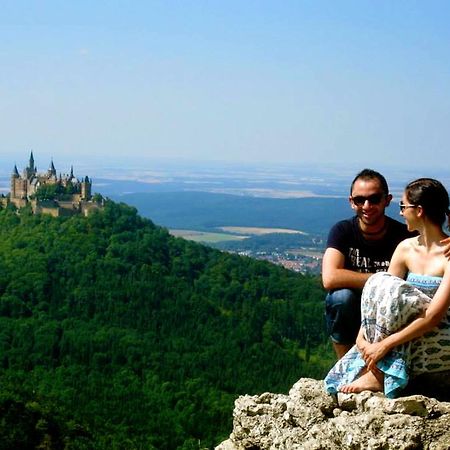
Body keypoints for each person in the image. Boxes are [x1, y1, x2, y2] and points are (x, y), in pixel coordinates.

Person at [324, 178, 450, 398]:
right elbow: (380, 298)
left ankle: (379, 374)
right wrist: (362, 337)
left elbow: (433, 316)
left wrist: (384, 346)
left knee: (392, 289)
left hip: (436, 334)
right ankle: (376, 367)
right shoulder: (405, 248)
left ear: (419, 211)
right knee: (381, 282)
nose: (400, 213)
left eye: (403, 207)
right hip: (407, 331)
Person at [322, 169, 412, 359]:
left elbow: (435, 244)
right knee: (341, 298)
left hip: (392, 310)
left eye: (374, 199)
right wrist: (384, 280)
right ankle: (345, 365)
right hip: (354, 308)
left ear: (387, 200)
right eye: (359, 200)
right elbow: (330, 278)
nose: (367, 205)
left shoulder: (405, 235)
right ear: (351, 202)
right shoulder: (343, 231)